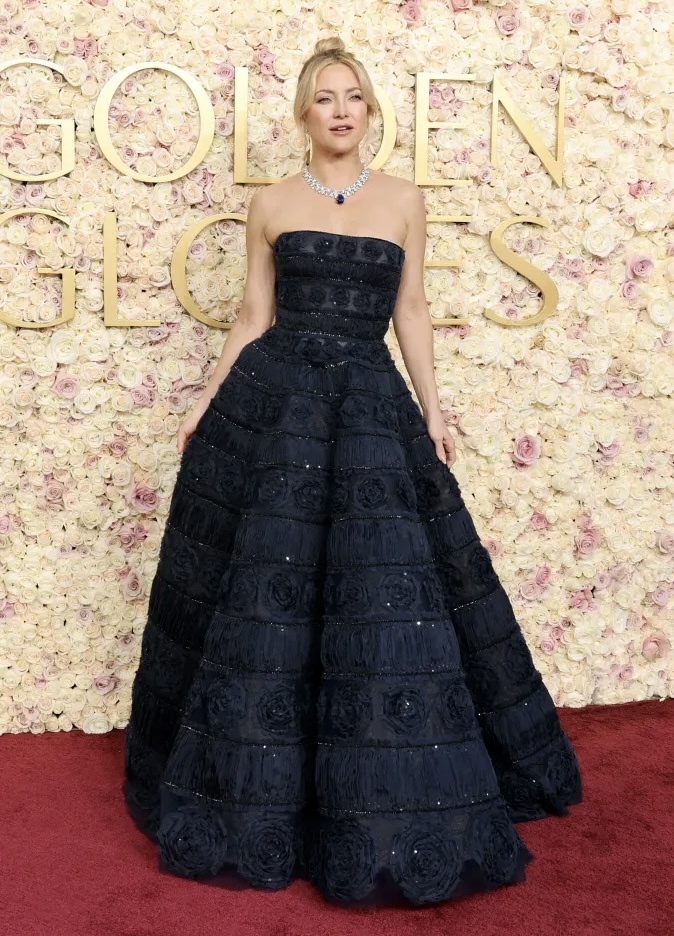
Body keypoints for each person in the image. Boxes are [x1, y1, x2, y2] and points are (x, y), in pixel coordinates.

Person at [123, 35, 582, 908]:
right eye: (326, 97)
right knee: (274, 591)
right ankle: (265, 795)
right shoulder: (271, 202)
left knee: (378, 591)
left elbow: (412, 310)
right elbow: (252, 314)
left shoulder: (404, 199)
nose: (341, 110)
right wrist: (204, 401)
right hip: (280, 406)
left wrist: (435, 413)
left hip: (369, 408)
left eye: (354, 97)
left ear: (370, 110)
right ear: (304, 113)